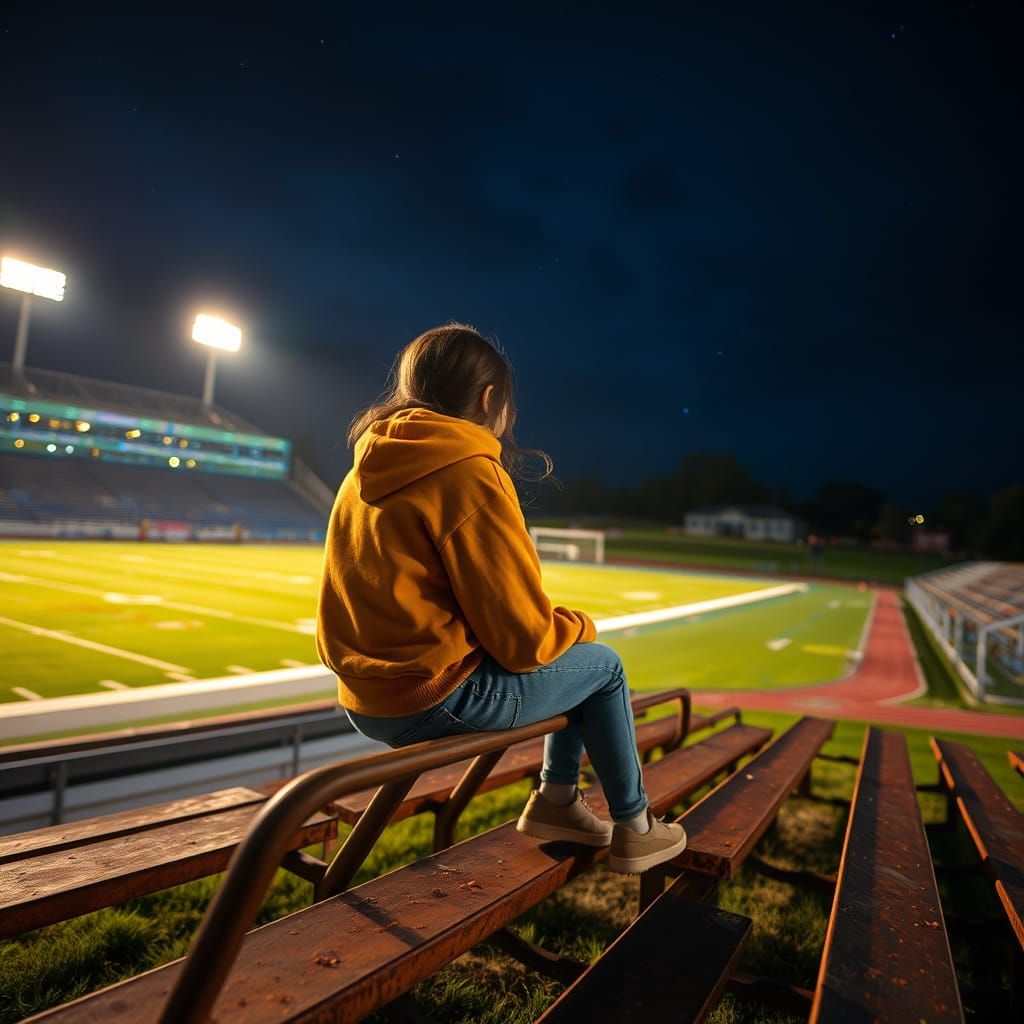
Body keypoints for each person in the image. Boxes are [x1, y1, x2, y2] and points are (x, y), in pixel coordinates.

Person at [315, 323, 686, 874]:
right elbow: (525, 642)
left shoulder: (365, 466)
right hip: (430, 698)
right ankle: (635, 829)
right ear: (490, 399)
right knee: (602, 667)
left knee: (577, 670)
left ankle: (558, 802)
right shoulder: (467, 471)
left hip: (363, 699)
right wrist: (579, 625)